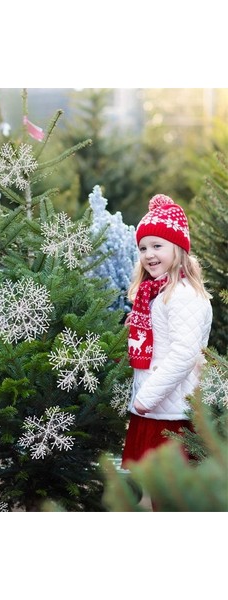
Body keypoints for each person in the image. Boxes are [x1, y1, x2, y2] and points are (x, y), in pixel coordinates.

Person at [121, 194, 213, 471]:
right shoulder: (157, 293)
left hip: (170, 412)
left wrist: (147, 397)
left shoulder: (183, 294)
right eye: (143, 247)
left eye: (157, 245)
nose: (149, 254)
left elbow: (185, 353)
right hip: (158, 407)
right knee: (153, 493)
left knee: (169, 496)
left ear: (178, 249)